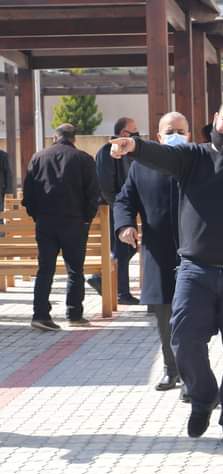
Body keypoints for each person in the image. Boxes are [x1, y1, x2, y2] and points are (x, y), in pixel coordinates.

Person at [109, 97, 223, 451]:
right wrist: (134, 146)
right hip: (195, 271)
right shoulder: (193, 157)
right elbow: (161, 156)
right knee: (183, 340)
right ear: (215, 118)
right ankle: (204, 395)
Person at [113, 112, 187, 392]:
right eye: (170, 131)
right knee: (164, 314)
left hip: (195, 252)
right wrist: (125, 225)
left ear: (189, 135)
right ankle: (171, 368)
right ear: (158, 136)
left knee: (192, 315)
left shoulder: (199, 162)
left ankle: (192, 374)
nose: (175, 135)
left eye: (181, 131)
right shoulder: (141, 166)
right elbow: (124, 200)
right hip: (158, 252)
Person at [22, 124, 100, 331]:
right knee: (75, 269)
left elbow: (28, 193)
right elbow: (93, 193)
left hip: (46, 221)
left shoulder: (38, 158)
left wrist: (37, 216)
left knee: (45, 269)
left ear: (55, 138)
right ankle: (74, 314)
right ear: (74, 139)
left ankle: (40, 315)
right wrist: (86, 218)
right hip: (74, 221)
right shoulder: (84, 159)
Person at [90, 117, 140, 305]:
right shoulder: (106, 151)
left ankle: (101, 278)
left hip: (125, 207)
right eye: (133, 131)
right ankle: (121, 293)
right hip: (113, 208)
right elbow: (105, 185)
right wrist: (117, 206)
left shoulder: (129, 152)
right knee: (122, 250)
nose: (136, 135)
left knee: (130, 248)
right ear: (123, 133)